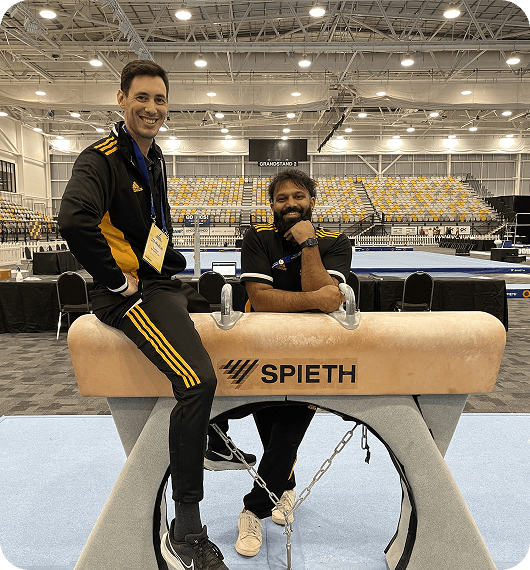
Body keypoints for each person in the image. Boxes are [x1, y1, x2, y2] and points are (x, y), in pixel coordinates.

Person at [58, 60, 229, 570]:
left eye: (159, 99)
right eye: (142, 98)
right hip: (127, 296)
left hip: (158, 281)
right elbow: (73, 220)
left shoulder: (153, 158)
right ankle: (187, 527)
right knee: (197, 381)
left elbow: (151, 224)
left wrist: (168, 268)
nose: (152, 108)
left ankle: (211, 434)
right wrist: (114, 280)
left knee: (230, 324)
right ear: (121, 99)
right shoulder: (101, 158)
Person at [235, 169, 352, 556]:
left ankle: (252, 510)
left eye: (298, 196)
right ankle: (285, 488)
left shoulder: (335, 241)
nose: (290, 204)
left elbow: (323, 293)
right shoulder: (257, 237)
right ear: (272, 204)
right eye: (281, 198)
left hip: (310, 355)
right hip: (260, 350)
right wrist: (316, 301)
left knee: (286, 436)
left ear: (312, 202)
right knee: (272, 437)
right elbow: (263, 299)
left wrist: (309, 243)